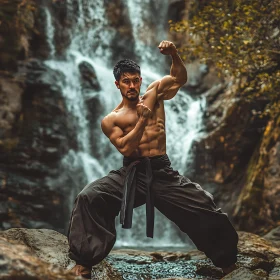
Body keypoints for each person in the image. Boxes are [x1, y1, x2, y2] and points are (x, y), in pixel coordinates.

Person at [68, 40, 238, 279]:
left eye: (135, 79)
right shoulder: (111, 119)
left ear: (140, 79)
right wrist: (142, 121)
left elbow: (179, 79)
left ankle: (228, 263)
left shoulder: (155, 94)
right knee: (90, 197)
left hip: (162, 171)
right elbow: (126, 149)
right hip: (132, 173)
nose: (132, 85)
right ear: (117, 84)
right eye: (126, 81)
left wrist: (174, 54)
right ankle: (84, 263)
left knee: (205, 207)